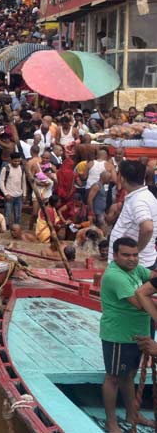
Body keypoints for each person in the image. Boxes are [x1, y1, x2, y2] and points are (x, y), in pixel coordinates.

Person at [100, 237, 156, 432]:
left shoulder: (135, 269)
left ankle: (132, 414)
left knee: (129, 375)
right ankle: (111, 422)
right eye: (126, 255)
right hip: (118, 335)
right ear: (115, 256)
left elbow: (152, 276)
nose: (132, 259)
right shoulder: (115, 276)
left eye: (135, 255)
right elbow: (141, 303)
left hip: (137, 334)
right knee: (114, 377)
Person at [109, 160, 157, 269]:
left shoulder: (139, 200)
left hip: (133, 266)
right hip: (135, 263)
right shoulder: (144, 196)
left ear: (122, 178)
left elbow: (148, 228)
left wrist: (134, 253)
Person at [0, 152, 26, 227]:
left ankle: (16, 227)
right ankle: (6, 227)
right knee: (7, 213)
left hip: (19, 195)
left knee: (18, 213)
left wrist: (24, 194)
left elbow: (23, 181)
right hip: (9, 195)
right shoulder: (6, 168)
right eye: (15, 161)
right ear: (10, 160)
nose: (17, 163)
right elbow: (1, 182)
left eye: (18, 161)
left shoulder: (21, 168)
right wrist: (6, 193)